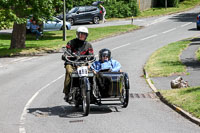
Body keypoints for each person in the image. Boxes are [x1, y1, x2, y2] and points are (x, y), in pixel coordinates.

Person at [63, 26, 94, 101]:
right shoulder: (71, 42)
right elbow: (67, 52)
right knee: (69, 72)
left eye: (83, 34)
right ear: (77, 34)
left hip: (83, 63)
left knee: (91, 73)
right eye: (80, 34)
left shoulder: (88, 45)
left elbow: (91, 54)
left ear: (86, 35)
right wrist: (67, 56)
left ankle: (92, 92)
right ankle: (67, 92)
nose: (81, 35)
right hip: (71, 63)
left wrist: (90, 58)